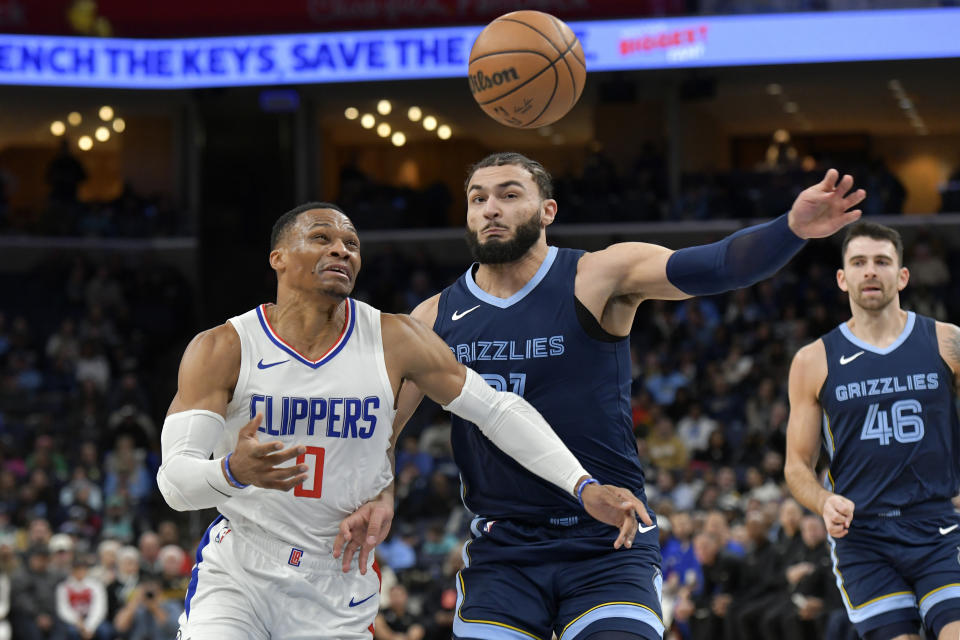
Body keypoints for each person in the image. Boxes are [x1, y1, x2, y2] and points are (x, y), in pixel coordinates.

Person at [337, 152, 865, 640]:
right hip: (504, 551)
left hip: (607, 540)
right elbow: (381, 428)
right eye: (478, 198)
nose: (490, 209)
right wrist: (382, 491)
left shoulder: (596, 276)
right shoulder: (433, 318)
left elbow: (717, 265)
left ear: (548, 210)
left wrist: (790, 228)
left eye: (508, 194)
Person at [157, 202, 644, 640]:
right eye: (322, 238)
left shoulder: (394, 337)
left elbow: (496, 410)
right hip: (243, 566)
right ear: (278, 257)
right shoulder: (223, 347)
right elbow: (175, 485)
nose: (342, 251)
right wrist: (231, 472)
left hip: (338, 574)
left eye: (352, 244)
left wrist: (582, 485)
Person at [784, 221, 960, 640]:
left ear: (902, 275)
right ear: (842, 278)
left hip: (938, 525)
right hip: (862, 535)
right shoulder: (813, 360)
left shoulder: (946, 342)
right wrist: (823, 502)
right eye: (859, 262)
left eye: (882, 261)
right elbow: (796, 466)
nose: (870, 271)